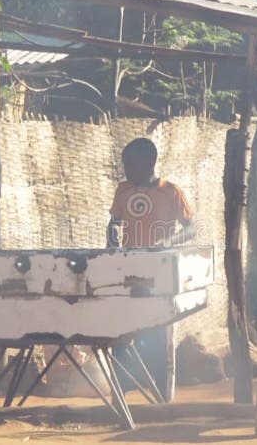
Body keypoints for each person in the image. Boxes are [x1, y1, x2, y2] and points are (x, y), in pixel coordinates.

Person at [106, 137, 195, 401]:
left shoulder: (171, 191)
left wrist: (167, 242)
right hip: (127, 275)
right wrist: (112, 237)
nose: (125, 169)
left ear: (148, 163)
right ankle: (119, 396)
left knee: (156, 337)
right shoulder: (123, 190)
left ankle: (159, 398)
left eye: (129, 163)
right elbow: (114, 221)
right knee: (120, 335)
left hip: (158, 277)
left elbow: (192, 229)